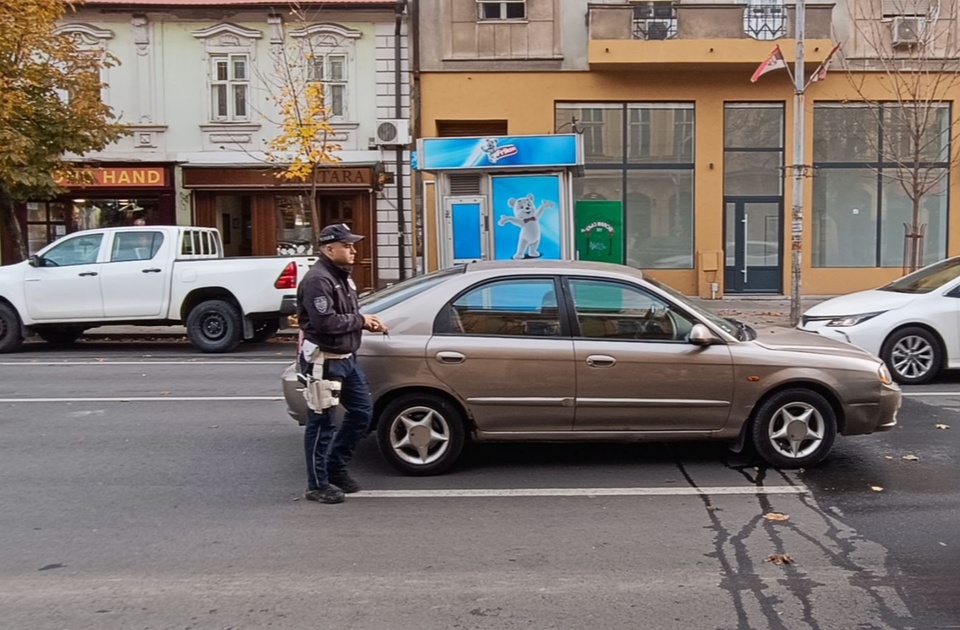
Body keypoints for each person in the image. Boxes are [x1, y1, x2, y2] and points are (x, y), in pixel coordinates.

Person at [297, 223, 386, 504]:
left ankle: (335, 466)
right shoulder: (318, 280)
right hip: (325, 361)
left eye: (352, 245)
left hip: (346, 359)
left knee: (362, 412)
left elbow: (346, 313)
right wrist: (361, 321)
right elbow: (326, 323)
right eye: (347, 246)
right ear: (328, 249)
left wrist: (363, 320)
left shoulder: (342, 277)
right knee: (322, 423)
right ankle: (317, 484)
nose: (353, 250)